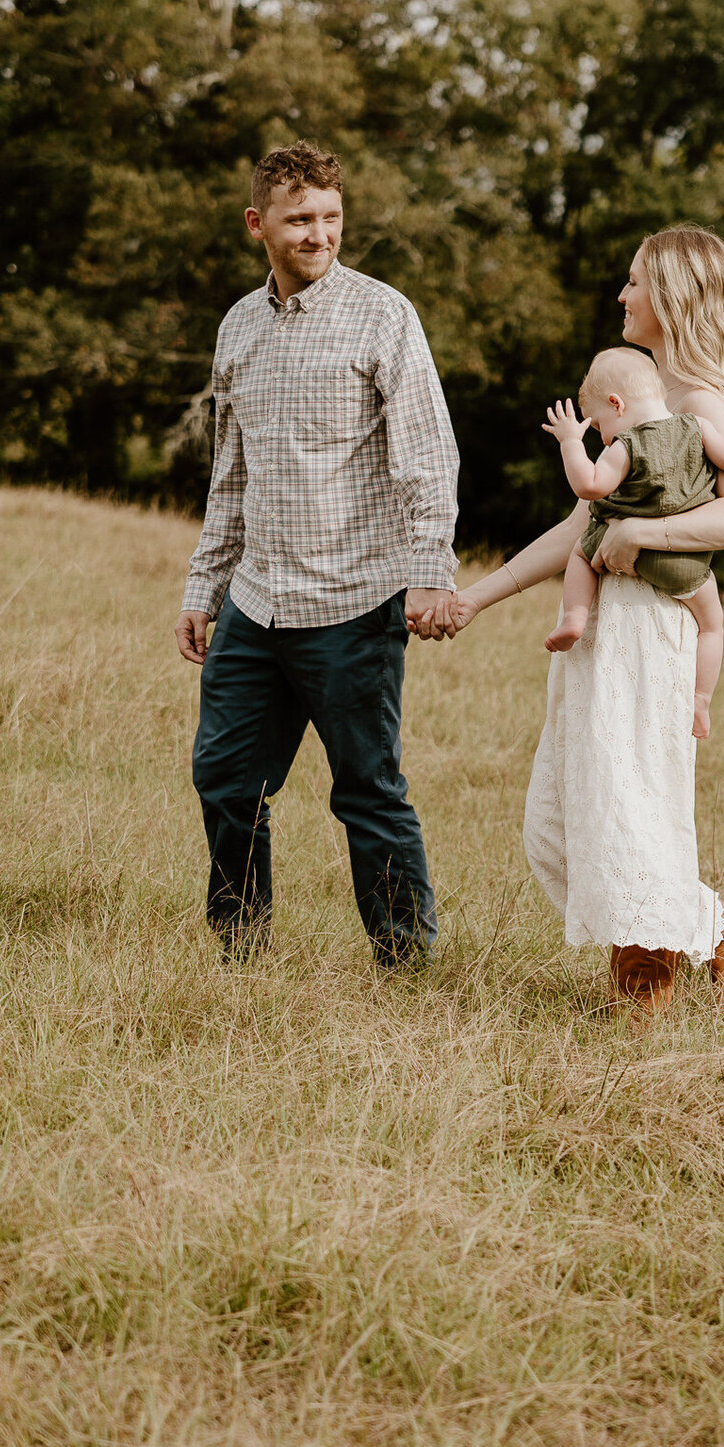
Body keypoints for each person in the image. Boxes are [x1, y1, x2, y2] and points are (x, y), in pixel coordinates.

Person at [416, 225, 724, 1016]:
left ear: (674, 295)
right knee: (567, 819)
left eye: (635, 282)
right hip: (604, 632)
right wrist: (477, 596)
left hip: (649, 631)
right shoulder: (647, 395)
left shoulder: (698, 402)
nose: (622, 295)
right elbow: (580, 526)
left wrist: (641, 534)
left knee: (625, 811)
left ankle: (643, 999)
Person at [174, 140, 458, 967]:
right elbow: (231, 475)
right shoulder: (237, 327)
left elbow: (427, 456)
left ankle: (405, 964)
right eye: (301, 220)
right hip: (256, 605)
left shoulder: (383, 315)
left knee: (367, 792)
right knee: (224, 780)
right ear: (259, 224)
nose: (320, 234)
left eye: (332, 218)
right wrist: (205, 588)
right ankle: (240, 948)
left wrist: (429, 571)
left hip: (355, 605)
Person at [541, 345, 724, 738]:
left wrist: (570, 443)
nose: (602, 437)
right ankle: (701, 699)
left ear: (617, 404)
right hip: (687, 567)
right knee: (713, 627)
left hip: (622, 552)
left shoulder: (625, 446)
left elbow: (589, 486)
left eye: (599, 426)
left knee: (579, 552)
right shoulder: (696, 426)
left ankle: (575, 617)